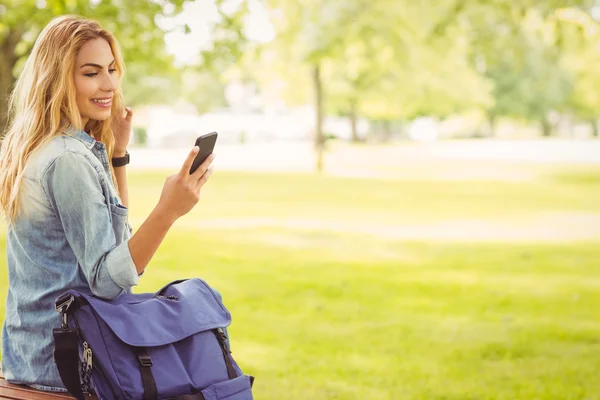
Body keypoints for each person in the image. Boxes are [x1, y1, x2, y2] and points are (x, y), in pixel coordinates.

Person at [0, 15, 215, 392]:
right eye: (91, 73)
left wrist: (117, 157)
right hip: (67, 367)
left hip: (32, 354)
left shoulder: (44, 148)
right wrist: (168, 211)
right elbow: (108, 280)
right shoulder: (68, 159)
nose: (110, 85)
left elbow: (120, 254)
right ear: (58, 79)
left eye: (112, 70)